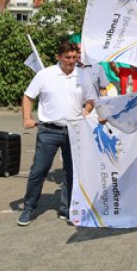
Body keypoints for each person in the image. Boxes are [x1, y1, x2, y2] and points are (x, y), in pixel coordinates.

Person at [17, 41, 85, 226]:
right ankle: (29, 208)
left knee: (72, 172)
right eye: (67, 58)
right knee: (39, 170)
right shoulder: (45, 75)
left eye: (74, 57)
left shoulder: (83, 75)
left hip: (74, 131)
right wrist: (27, 118)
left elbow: (91, 99)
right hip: (49, 130)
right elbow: (28, 96)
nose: (71, 61)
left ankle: (68, 208)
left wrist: (87, 111)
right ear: (58, 57)